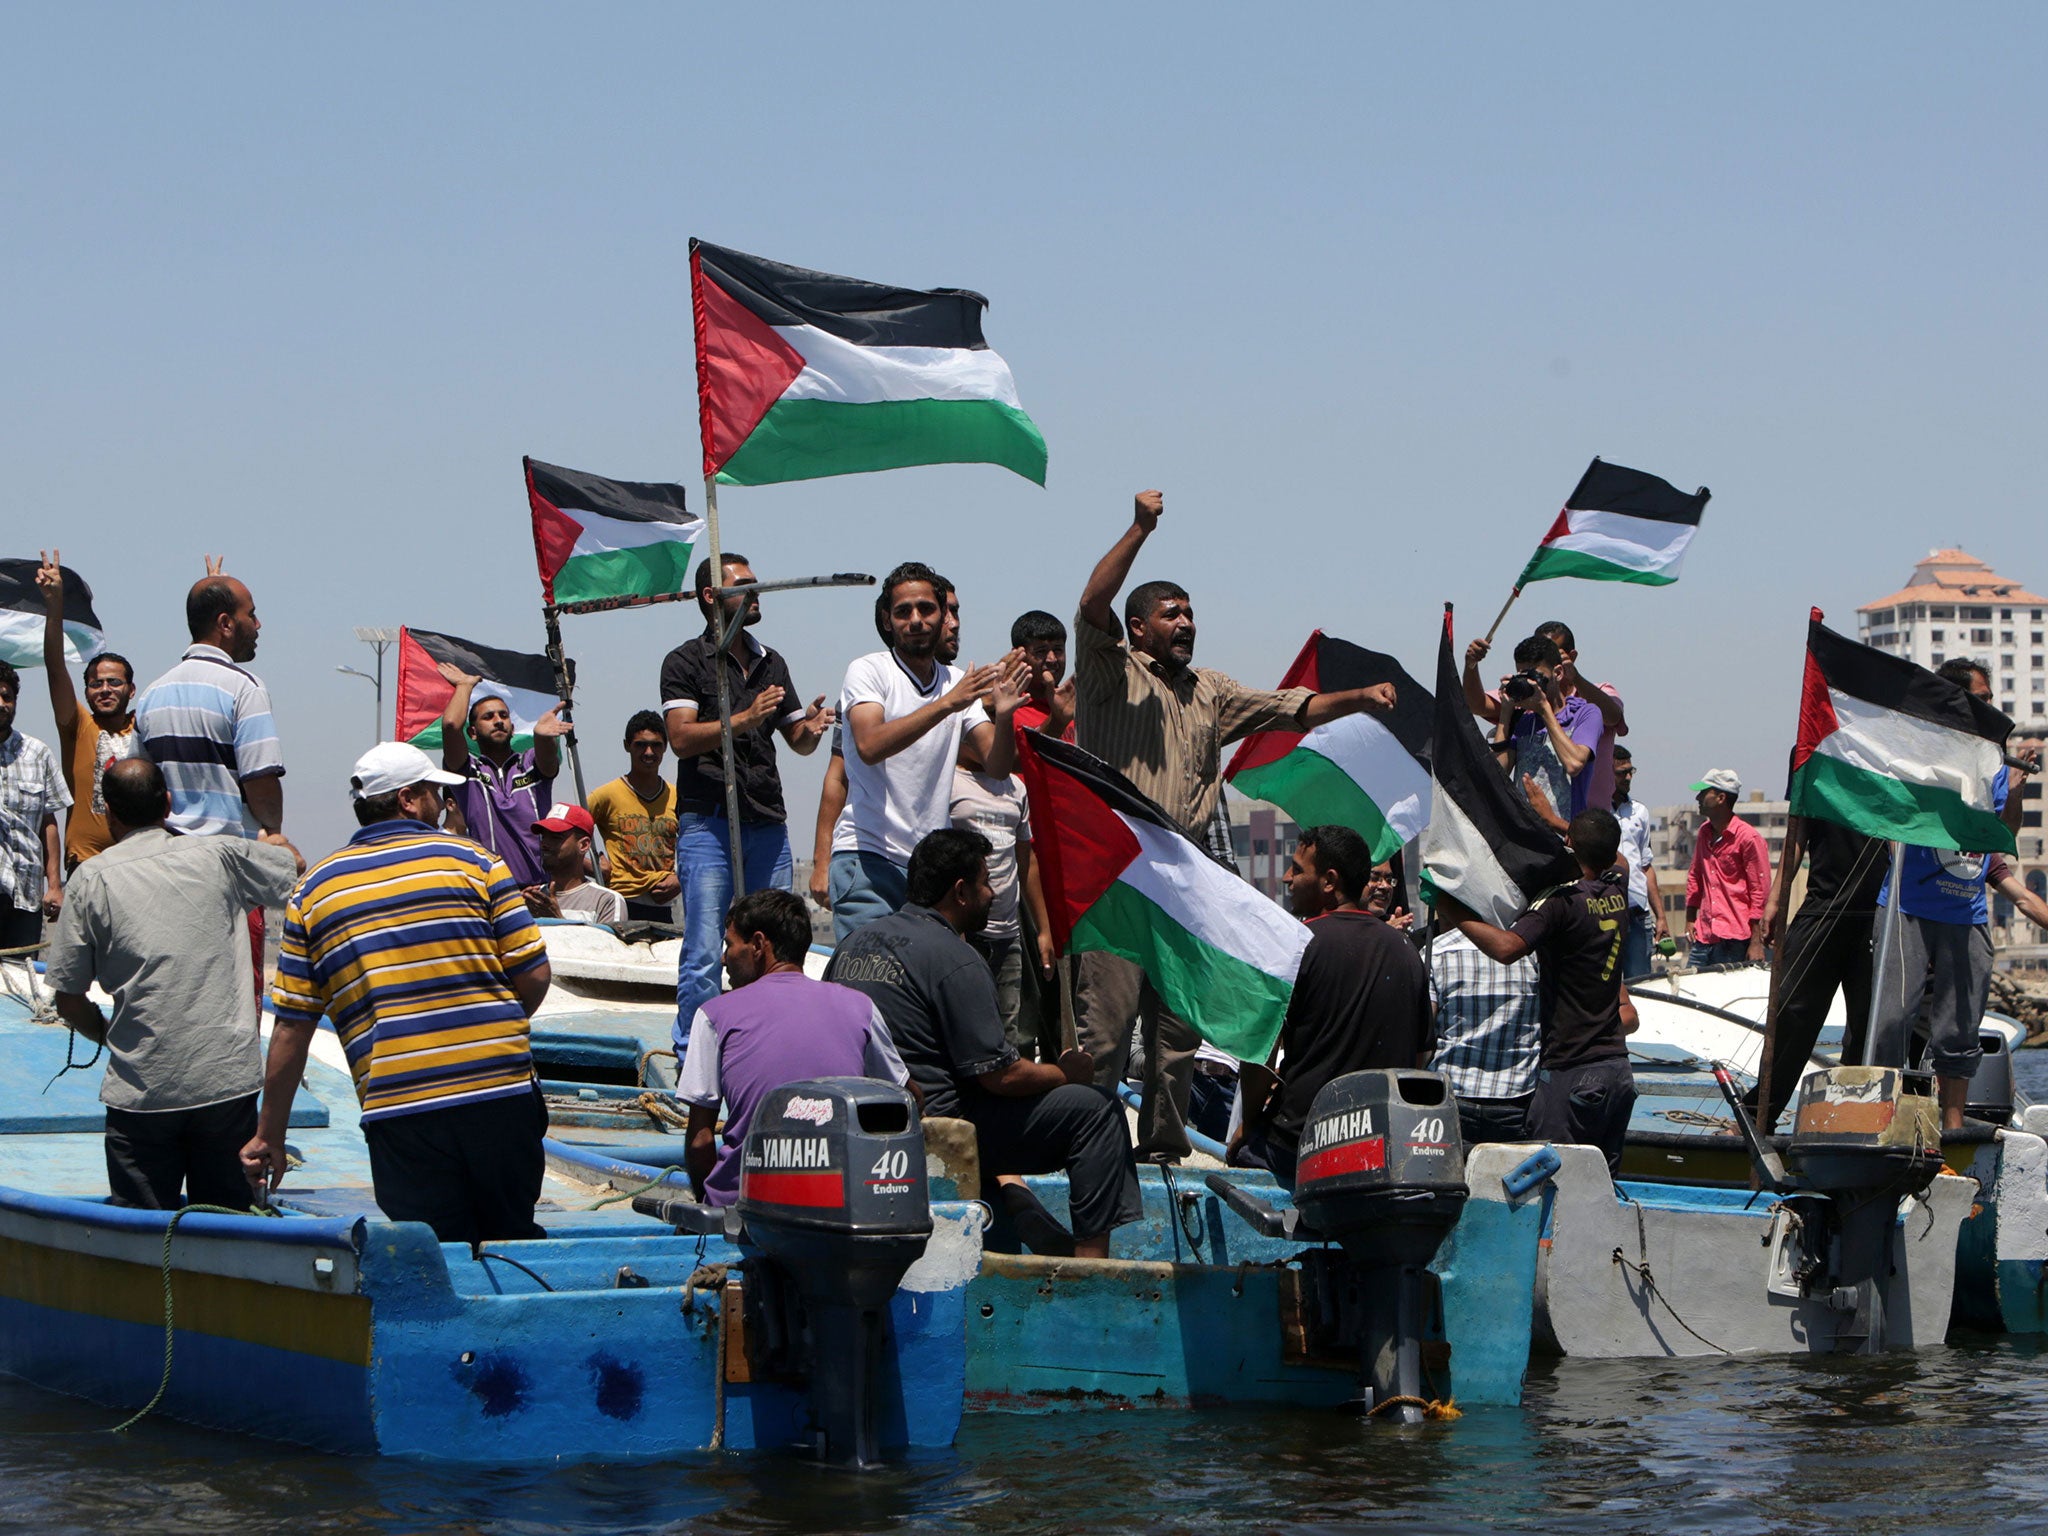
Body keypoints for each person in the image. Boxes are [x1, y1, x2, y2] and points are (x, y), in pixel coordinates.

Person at [1070, 490, 1397, 1159]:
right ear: (1138, 628)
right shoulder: (1109, 671)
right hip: (1120, 875)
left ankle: (1161, 1148)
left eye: (1191, 612)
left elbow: (1291, 709)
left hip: (1186, 882)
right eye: (1171, 613)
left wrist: (1358, 699)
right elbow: (1090, 605)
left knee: (1177, 1029)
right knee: (1105, 1030)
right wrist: (1139, 528)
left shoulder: (1209, 690)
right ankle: (1091, 1146)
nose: (1186, 622)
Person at [246, 743, 554, 1245]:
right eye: (436, 793)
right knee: (510, 1241)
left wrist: (270, 1136)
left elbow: (293, 1026)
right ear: (408, 799)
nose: (444, 804)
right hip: (499, 1096)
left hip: (399, 1109)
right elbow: (534, 976)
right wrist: (486, 1032)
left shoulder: (313, 892)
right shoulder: (478, 863)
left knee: (434, 1252)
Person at [825, 829, 1142, 1258]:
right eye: (985, 882)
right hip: (938, 1127)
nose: (993, 893)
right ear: (960, 892)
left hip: (860, 1121)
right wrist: (1065, 1074)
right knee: (1098, 1112)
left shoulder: (851, 945)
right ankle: (1091, 1267)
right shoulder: (956, 959)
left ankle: (1013, 1200)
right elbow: (1001, 1077)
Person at [44, 760, 299, 1210]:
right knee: (226, 1226)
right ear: (168, 803)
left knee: (143, 1239)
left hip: (141, 1091)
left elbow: (67, 999)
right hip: (226, 1085)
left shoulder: (90, 879)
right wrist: (276, 840)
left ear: (109, 815)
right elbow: (293, 870)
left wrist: (109, 1036)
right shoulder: (220, 855)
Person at [661, 554, 834, 1052]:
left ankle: (766, 1043)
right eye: (747, 586)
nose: (759, 593)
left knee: (774, 942)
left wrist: (812, 730)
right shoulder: (686, 662)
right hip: (708, 821)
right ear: (712, 597)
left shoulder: (771, 661)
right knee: (703, 947)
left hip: (765, 819)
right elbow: (680, 738)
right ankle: (693, 1054)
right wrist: (744, 717)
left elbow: (796, 739)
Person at [676, 889, 912, 1206]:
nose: (723, 958)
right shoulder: (861, 1008)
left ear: (758, 945)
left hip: (744, 1204)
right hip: (844, 1202)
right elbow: (907, 1099)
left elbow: (700, 1141)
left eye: (729, 945)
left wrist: (710, 1202)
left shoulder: (715, 1015)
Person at [1868, 658, 2025, 1133]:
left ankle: (1952, 1121)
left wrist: (2016, 789)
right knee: (1892, 1020)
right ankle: (1883, 1120)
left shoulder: (1995, 760)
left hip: (1967, 909)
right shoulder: (1922, 751)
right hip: (1908, 907)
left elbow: (2005, 832)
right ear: (1959, 699)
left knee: (1959, 1026)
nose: (1991, 708)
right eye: (1983, 698)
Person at [830, 562, 1023, 942]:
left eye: (926, 609)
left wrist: (1004, 716)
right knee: (871, 982)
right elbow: (869, 746)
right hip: (869, 857)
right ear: (887, 620)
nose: (915, 620)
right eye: (903, 612)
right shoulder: (869, 670)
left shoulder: (955, 683)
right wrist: (947, 704)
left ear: (943, 615)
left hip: (929, 869)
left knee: (922, 990)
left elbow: (999, 767)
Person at [1236, 825, 1433, 1184]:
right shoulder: (1407, 952)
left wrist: (1247, 1125)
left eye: (1297, 869)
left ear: (1329, 881)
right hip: (1380, 1151)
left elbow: (1259, 1057)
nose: (1286, 878)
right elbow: (1419, 1059)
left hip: (1299, 1145)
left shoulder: (1295, 946)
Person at [1448, 808, 1639, 1174]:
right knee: (1602, 1192)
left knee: (1554, 1188)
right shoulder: (1616, 885)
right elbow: (1620, 857)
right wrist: (1560, 823)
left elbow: (1507, 948)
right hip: (1617, 1071)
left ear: (1569, 845)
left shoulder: (1559, 902)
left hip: (1572, 1073)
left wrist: (1451, 907)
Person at [1756, 810, 1886, 1129]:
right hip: (1821, 907)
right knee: (1790, 1010)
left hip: (1880, 911)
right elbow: (1797, 833)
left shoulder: (1895, 762)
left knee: (1867, 1025)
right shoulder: (1811, 759)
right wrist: (1775, 900)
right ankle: (1760, 1113)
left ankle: (1851, 1118)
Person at [36, 550, 142, 870]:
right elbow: (55, 667)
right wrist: (54, 605)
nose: (105, 689)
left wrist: (211, 594)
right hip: (85, 863)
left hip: (139, 862)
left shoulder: (146, 726)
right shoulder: (78, 725)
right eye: (97, 684)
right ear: (87, 692)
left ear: (131, 690)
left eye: (114, 682)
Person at [950, 758, 1053, 1050]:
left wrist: (1043, 929)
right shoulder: (947, 781)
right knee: (964, 1032)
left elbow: (1026, 862)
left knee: (1008, 1036)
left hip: (1008, 934)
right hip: (963, 935)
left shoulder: (1015, 787)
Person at [436, 665, 568, 888]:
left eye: (503, 715)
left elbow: (548, 761)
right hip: (491, 893)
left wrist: (543, 737)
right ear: (473, 733)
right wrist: (464, 686)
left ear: (513, 728)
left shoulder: (529, 764)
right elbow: (450, 726)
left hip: (538, 891)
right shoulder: (469, 772)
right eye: (488, 717)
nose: (498, 720)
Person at [1428, 924, 1543, 1145]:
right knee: (1510, 1177)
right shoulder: (1532, 952)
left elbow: (1424, 1028)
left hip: (1451, 1091)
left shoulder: (1437, 951)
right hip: (1516, 1094)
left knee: (1450, 1176)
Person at [1480, 633, 1603, 824]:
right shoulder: (1524, 720)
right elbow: (1496, 775)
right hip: (1525, 840)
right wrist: (1506, 713)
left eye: (1535, 676)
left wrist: (1544, 709)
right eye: (1523, 677)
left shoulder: (1585, 713)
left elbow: (1574, 764)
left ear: (1558, 673)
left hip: (1566, 839)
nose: (1531, 685)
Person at [588, 710, 680, 924]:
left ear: (666, 747)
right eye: (640, 744)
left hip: (665, 904)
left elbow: (697, 848)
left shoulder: (678, 796)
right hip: (621, 901)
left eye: (656, 745)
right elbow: (567, 834)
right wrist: (592, 865)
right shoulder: (606, 796)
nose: (649, 752)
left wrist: (681, 880)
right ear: (627, 745)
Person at [0, 662, 69, 950]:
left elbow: (48, 822)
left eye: (7, 697)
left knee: (21, 982)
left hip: (25, 895)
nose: (2, 704)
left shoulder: (37, 753)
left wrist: (54, 885)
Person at [1684, 768, 1769, 967]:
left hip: (1735, 940)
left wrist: (1756, 942)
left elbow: (1759, 891)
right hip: (1704, 935)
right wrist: (1690, 918)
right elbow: (1695, 875)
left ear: (1721, 798)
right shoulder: (1704, 832)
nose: (1698, 797)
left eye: (1704, 792)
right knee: (1691, 991)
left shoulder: (1748, 838)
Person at [1610, 745, 1668, 978]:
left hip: (1637, 912)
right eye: (1621, 772)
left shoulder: (1640, 812)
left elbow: (1646, 867)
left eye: (1630, 771)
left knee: (1641, 984)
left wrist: (1661, 917)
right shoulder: (1595, 809)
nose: (1628, 777)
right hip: (1606, 912)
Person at [526, 803, 626, 925]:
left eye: (556, 838)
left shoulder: (606, 900)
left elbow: (609, 944)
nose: (544, 844)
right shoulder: (534, 899)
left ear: (583, 845)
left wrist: (555, 919)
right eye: (544, 837)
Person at [1010, 610, 1075, 740]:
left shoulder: (1077, 708)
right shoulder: (1006, 711)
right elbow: (1015, 758)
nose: (1052, 659)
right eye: (1041, 651)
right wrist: (1057, 721)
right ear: (1018, 656)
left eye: (1058, 650)